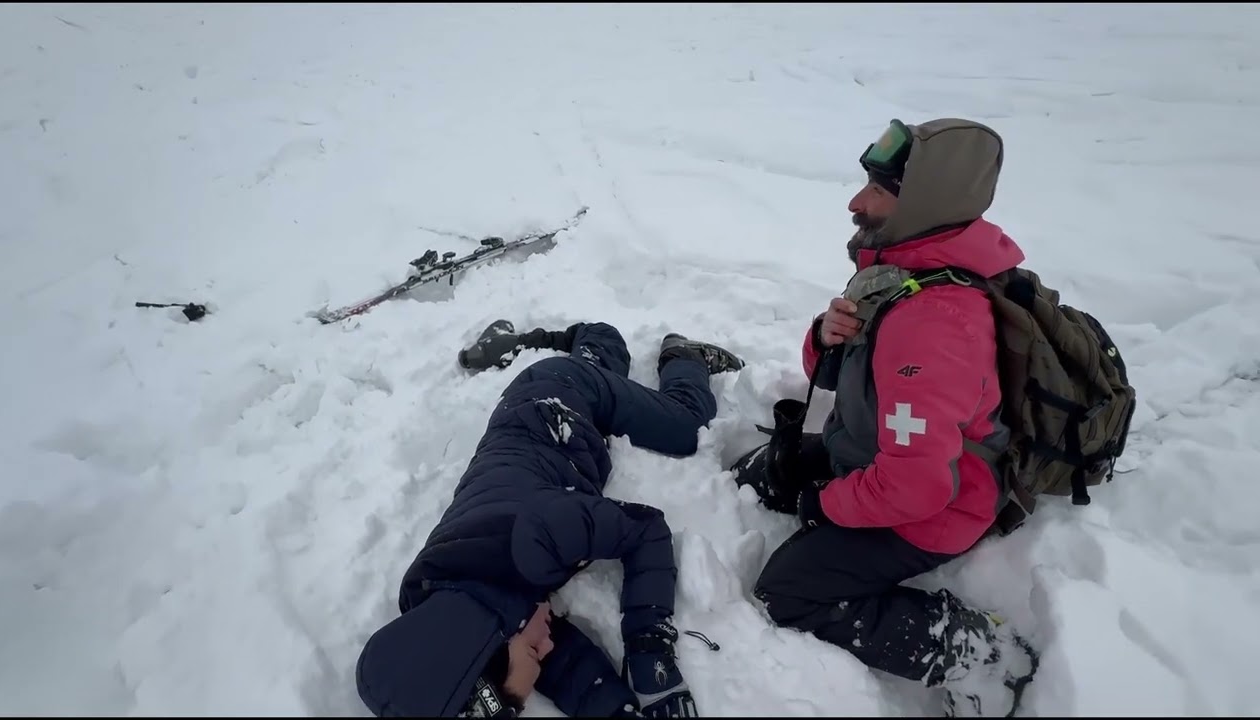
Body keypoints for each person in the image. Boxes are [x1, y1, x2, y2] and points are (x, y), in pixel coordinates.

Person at [732, 118, 1040, 717]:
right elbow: (832, 377)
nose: (856, 202)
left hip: (940, 506)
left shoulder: (934, 321)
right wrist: (826, 336)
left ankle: (988, 658)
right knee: (764, 472)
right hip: (880, 455)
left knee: (788, 591)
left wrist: (824, 504)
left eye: (880, 190)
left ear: (923, 202)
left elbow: (919, 488)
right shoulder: (904, 277)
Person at [355, 319, 744, 718]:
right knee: (604, 351)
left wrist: (648, 646)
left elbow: (645, 530)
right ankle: (540, 343)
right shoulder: (448, 611)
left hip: (558, 398)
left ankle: (684, 356)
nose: (549, 649)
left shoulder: (541, 533)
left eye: (533, 651)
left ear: (505, 626)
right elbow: (558, 665)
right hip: (534, 421)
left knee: (684, 424)